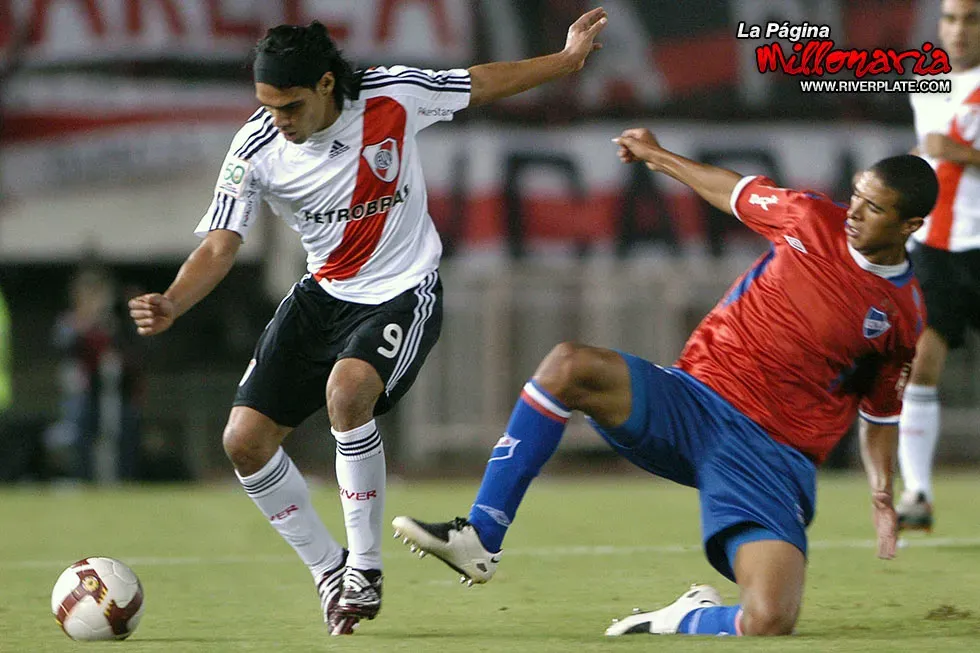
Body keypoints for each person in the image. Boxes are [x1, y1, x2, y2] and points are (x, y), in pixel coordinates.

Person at [127, 9, 608, 636]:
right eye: (268, 106)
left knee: (347, 392)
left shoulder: (393, 96)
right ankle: (330, 570)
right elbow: (221, 245)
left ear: (327, 85)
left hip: (403, 292)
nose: (280, 120)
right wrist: (173, 300)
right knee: (243, 441)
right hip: (323, 294)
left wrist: (566, 61)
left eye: (290, 106)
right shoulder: (255, 148)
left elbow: (480, 82)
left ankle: (366, 569)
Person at [392, 131, 939, 636]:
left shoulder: (902, 313)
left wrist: (882, 492)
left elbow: (881, 411)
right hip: (695, 399)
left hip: (769, 455)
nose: (854, 213)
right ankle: (480, 536)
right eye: (857, 196)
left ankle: (684, 617)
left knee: (771, 619)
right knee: (569, 366)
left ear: (910, 225)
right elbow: (736, 192)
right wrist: (657, 156)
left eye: (873, 207)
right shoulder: (811, 217)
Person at [899, 0, 980, 532]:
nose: (959, 29)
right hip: (934, 246)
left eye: (971, 18)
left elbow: (948, 148)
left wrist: (960, 152)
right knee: (919, 367)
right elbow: (930, 152)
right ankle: (918, 495)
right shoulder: (924, 81)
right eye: (951, 18)